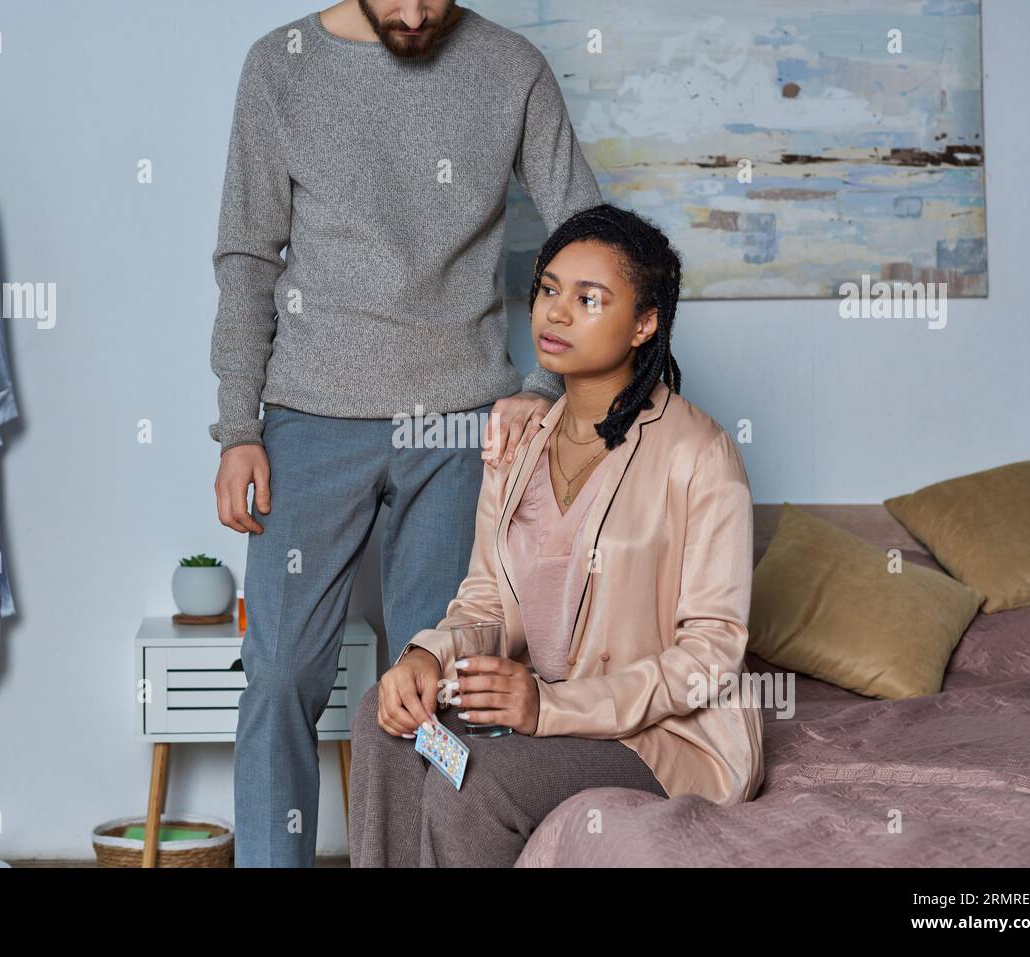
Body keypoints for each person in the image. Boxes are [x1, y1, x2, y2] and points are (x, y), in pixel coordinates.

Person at [209, 0, 603, 867]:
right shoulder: (280, 65)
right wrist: (239, 426)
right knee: (279, 675)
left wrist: (544, 388)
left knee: (437, 688)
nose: (418, 14)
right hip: (310, 420)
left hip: (460, 427)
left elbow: (589, 234)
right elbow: (248, 255)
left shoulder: (512, 69)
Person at [348, 204, 766, 867]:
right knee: (386, 715)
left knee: (475, 782)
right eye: (549, 290)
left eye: (589, 298)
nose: (557, 313)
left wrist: (552, 706)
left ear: (645, 323)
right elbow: (486, 603)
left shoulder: (700, 454)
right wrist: (428, 656)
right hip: (534, 707)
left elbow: (711, 655)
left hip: (659, 736)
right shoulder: (517, 443)